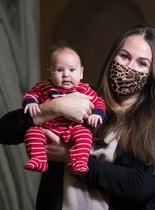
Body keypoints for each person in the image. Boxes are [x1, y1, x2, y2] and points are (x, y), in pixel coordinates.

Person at [0, 25, 155, 210]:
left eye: (142, 63)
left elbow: (138, 185)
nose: (129, 67)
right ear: (113, 57)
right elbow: (2, 132)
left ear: (153, 74)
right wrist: (54, 107)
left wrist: (68, 155)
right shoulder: (84, 101)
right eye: (124, 56)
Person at [22, 45, 105, 174]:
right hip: (48, 128)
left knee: (85, 135)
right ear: (49, 73)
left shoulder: (85, 89)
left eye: (72, 70)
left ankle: (78, 161)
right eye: (60, 70)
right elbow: (30, 94)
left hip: (73, 128)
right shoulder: (43, 87)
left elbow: (98, 102)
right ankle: (38, 159)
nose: (66, 75)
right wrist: (31, 102)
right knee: (32, 133)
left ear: (81, 73)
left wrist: (97, 114)